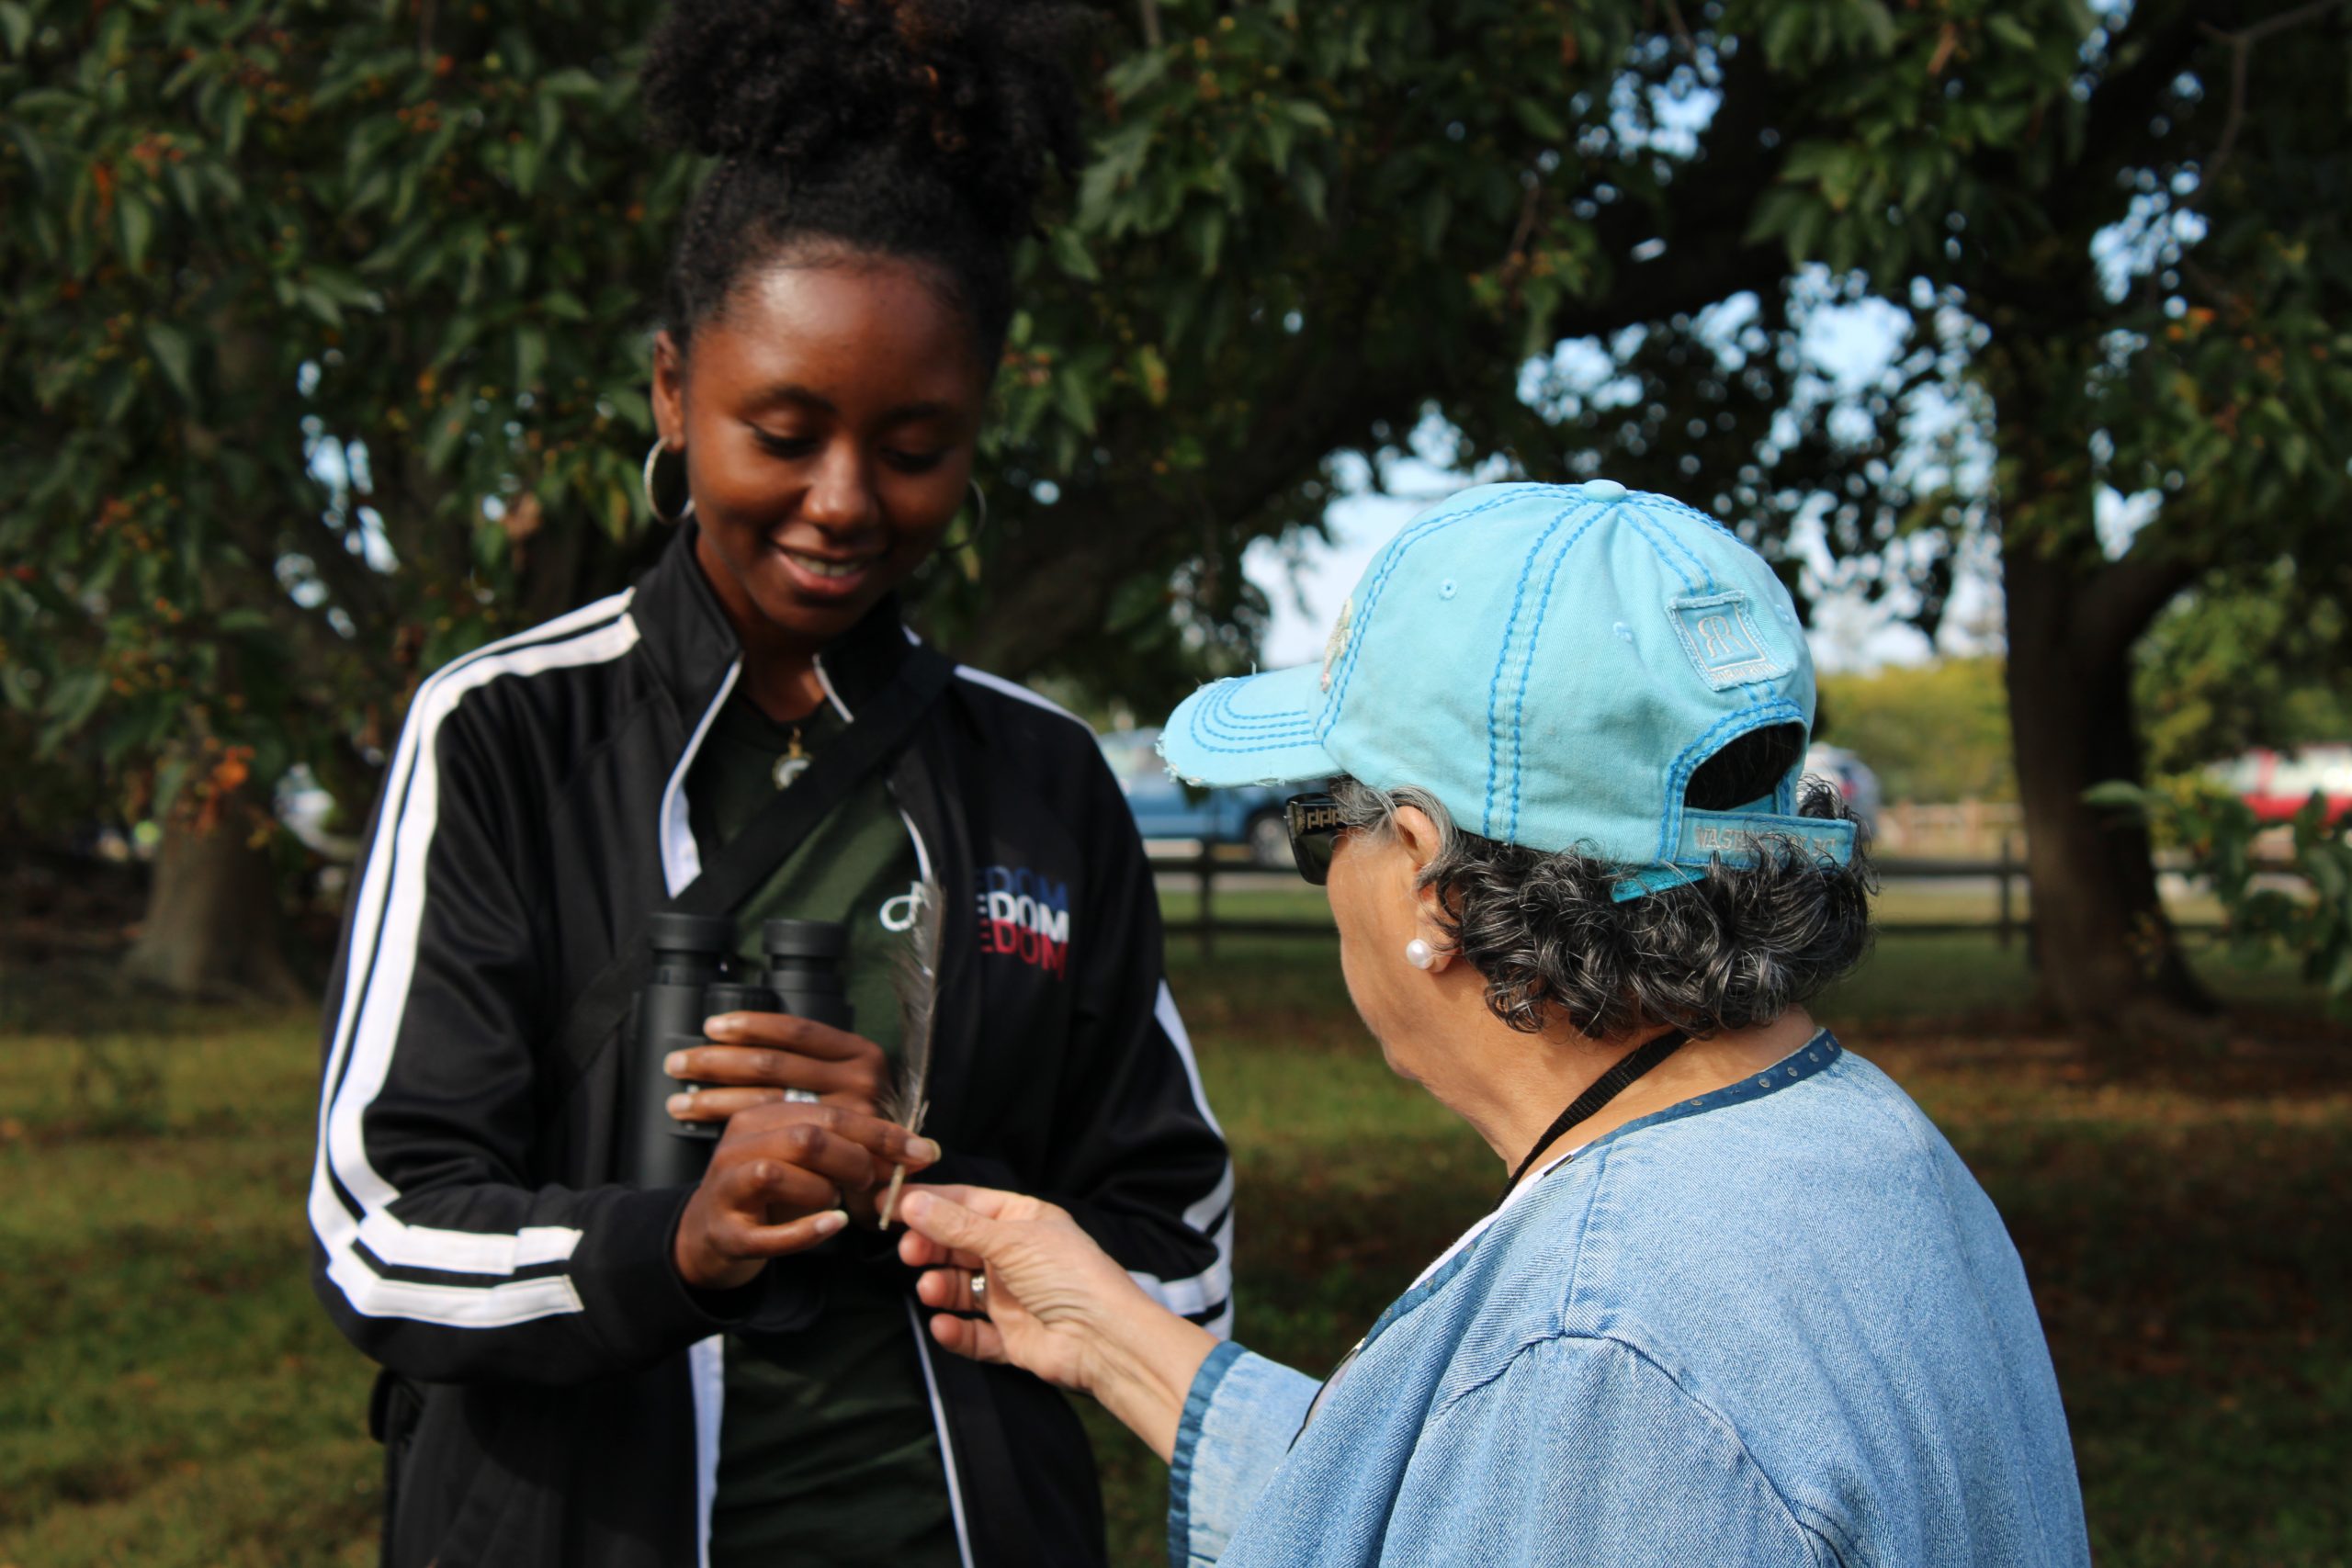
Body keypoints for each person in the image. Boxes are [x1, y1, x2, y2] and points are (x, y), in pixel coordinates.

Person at [305, 4, 1231, 1565]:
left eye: (916, 445)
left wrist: (916, 1175)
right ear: (675, 393)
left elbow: (1182, 1256)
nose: (845, 502)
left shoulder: (1043, 777)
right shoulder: (506, 734)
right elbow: (382, 1232)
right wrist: (675, 1240)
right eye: (782, 431)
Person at [893, 480, 2094, 1566]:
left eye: (1327, 831)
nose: (1328, 880)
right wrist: (1115, 1338)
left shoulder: (1605, 1360)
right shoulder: (1857, 1143)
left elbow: (1587, 1435)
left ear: (1428, 874)